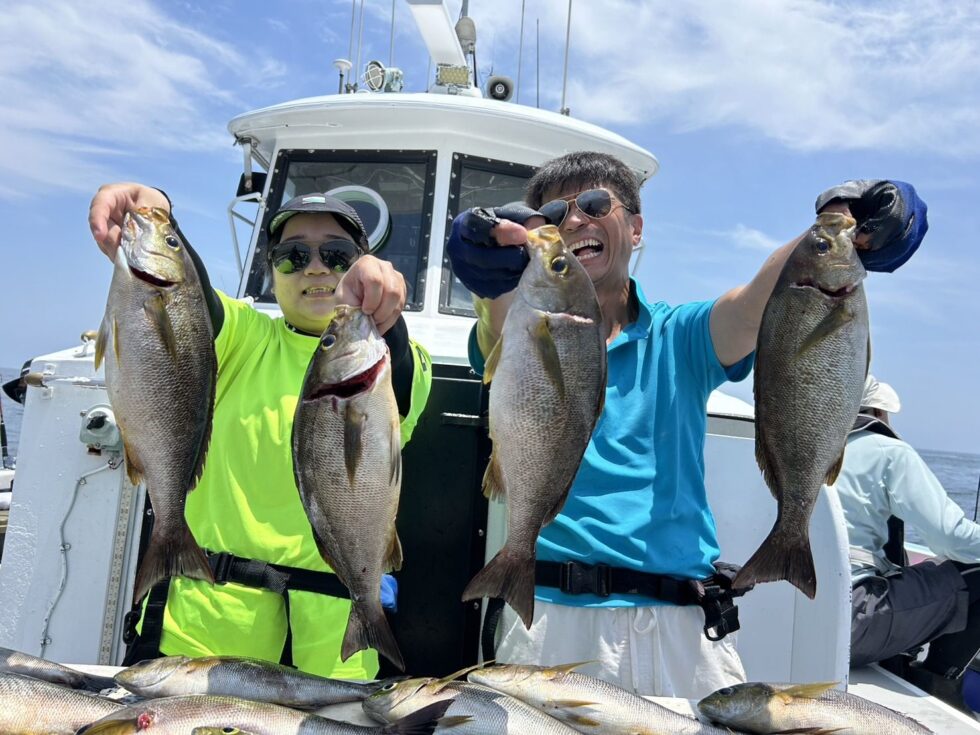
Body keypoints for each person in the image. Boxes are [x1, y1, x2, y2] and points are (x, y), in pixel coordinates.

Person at [446, 153, 928, 699]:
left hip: (684, 624)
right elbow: (497, 318)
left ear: (635, 226)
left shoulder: (682, 334)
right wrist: (486, 273)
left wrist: (833, 224)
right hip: (551, 621)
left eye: (598, 204)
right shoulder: (525, 322)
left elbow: (756, 304)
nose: (576, 221)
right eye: (556, 213)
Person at [88, 183, 432, 680]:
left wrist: (384, 315)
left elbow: (401, 372)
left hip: (336, 649)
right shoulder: (242, 335)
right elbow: (184, 298)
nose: (315, 267)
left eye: (336, 255)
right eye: (293, 256)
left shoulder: (394, 363)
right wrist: (161, 213)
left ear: (361, 265)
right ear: (272, 271)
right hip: (201, 639)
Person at [835, 375, 980, 686]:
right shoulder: (888, 451)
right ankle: (938, 684)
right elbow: (951, 538)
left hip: (795, 619)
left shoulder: (801, 448)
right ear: (877, 413)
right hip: (847, 626)